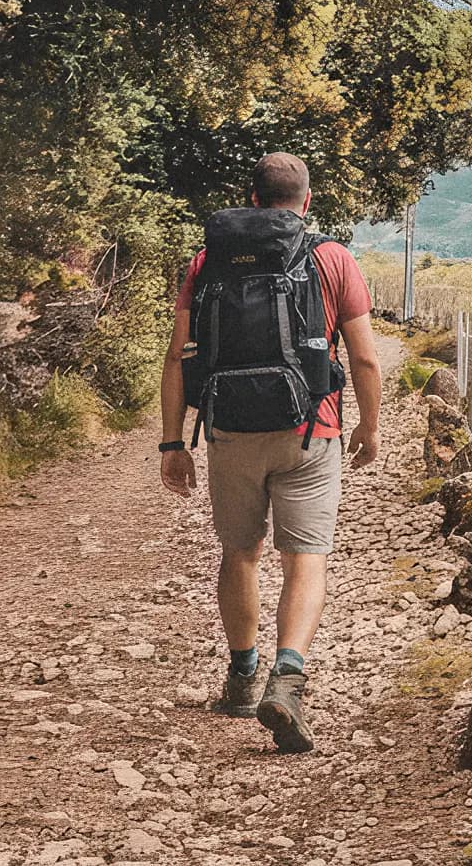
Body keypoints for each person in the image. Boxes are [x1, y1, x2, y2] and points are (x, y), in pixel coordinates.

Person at [157, 152, 382, 753]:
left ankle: (239, 676)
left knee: (241, 551)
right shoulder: (332, 258)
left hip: (229, 431)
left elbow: (178, 356)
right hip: (311, 431)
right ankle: (286, 677)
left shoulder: (208, 260)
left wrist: (174, 441)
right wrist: (370, 428)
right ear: (306, 202)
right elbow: (363, 358)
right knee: (305, 558)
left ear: (251, 199)